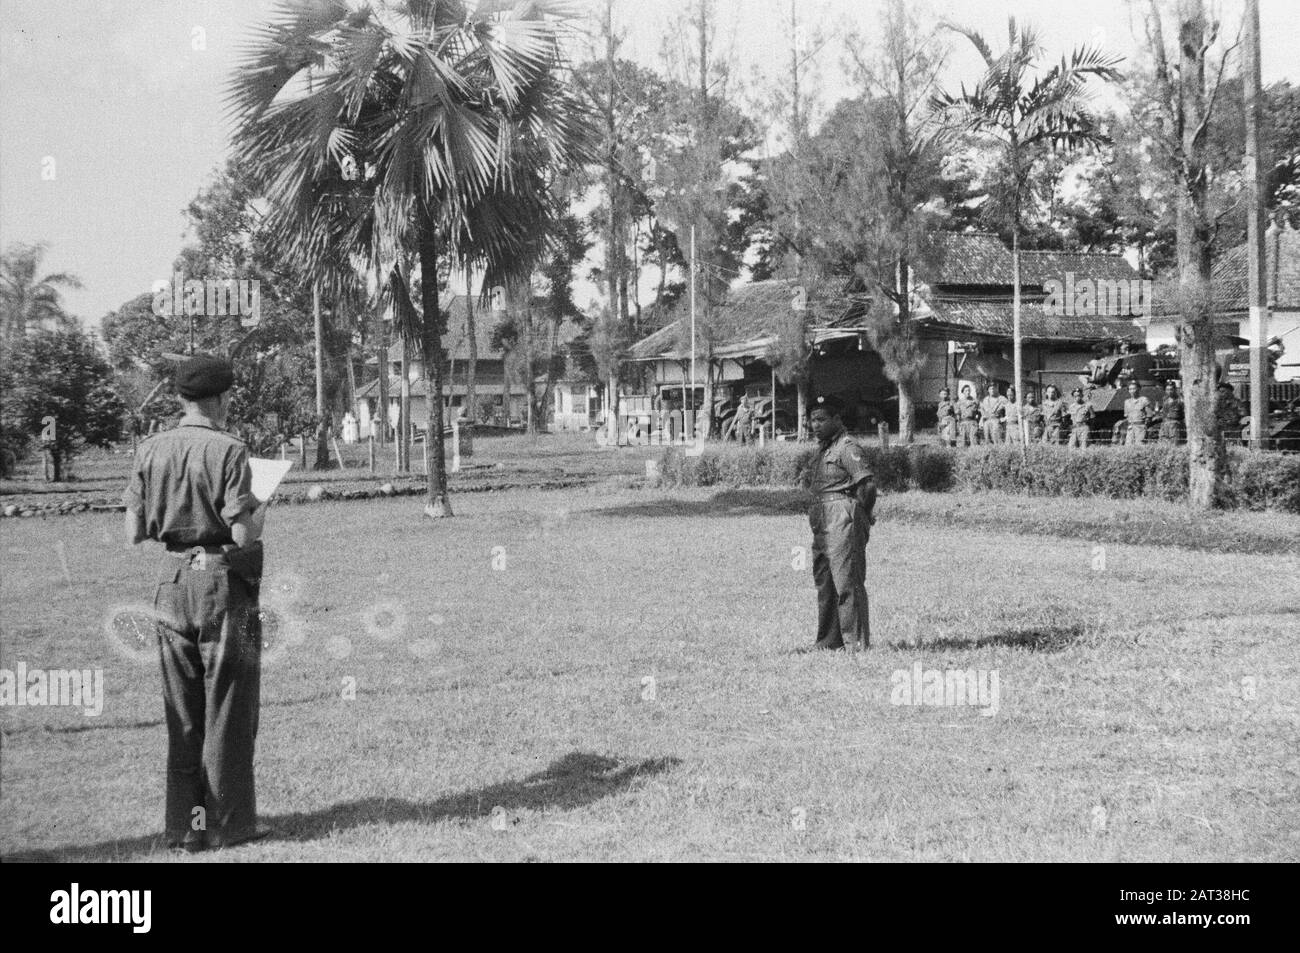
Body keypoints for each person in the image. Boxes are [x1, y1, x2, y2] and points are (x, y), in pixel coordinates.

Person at [123, 353, 269, 852]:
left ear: (182, 398)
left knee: (182, 713)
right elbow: (243, 532)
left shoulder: (149, 449)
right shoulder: (230, 450)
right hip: (219, 582)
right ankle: (227, 825)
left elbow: (133, 531)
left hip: (170, 582)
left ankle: (186, 826)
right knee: (227, 704)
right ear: (221, 398)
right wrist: (260, 505)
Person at [804, 395, 876, 653]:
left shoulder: (847, 447)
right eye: (812, 420)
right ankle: (828, 641)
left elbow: (867, 485)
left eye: (822, 419)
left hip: (842, 515)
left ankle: (855, 643)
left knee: (847, 581)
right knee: (825, 581)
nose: (815, 425)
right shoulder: (824, 450)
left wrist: (860, 518)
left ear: (836, 419)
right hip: (822, 519)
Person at [1122, 380, 1153, 445]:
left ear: (1139, 389)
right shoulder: (1127, 402)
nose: (1132, 391)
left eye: (1134, 388)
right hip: (1130, 428)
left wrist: (1144, 427)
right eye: (1130, 389)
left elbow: (1149, 416)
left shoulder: (1144, 400)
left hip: (1140, 427)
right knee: (1128, 447)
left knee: (1140, 446)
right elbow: (1126, 416)